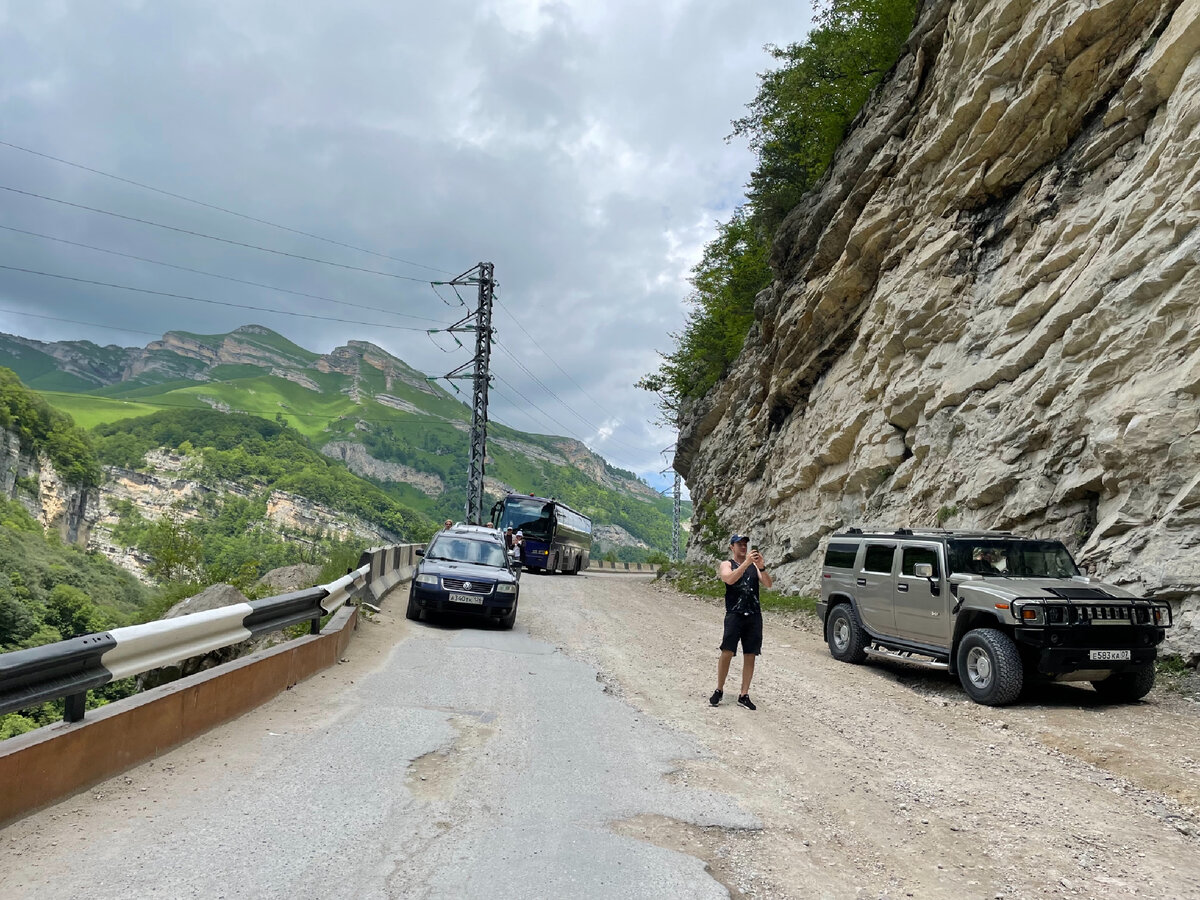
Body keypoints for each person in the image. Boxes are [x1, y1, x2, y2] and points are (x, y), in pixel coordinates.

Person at [711, 534, 772, 710]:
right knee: (727, 651)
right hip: (734, 614)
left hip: (753, 614)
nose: (743, 547)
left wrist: (762, 567)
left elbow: (768, 584)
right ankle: (719, 689)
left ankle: (744, 694)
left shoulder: (754, 566)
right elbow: (728, 579)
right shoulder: (726, 564)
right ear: (732, 547)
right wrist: (746, 563)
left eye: (745, 544)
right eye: (739, 544)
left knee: (750, 654)